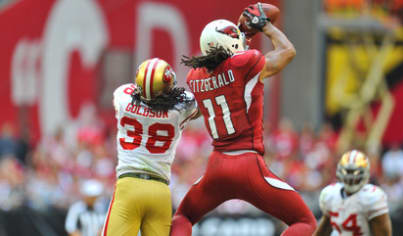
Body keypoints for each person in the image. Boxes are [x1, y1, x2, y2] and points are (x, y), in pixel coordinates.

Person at [170, 3, 316, 236]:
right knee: (305, 222)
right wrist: (265, 26)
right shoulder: (244, 63)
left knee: (182, 217)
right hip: (248, 165)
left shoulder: (195, 75)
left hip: (217, 166)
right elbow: (287, 51)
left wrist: (239, 36)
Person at [102, 58, 198, 236]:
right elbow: (196, 108)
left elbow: (137, 95)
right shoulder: (179, 109)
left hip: (129, 186)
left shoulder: (123, 96)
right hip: (160, 190)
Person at [314, 150, 392, 236]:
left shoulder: (372, 197)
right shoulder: (331, 194)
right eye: (347, 171)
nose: (351, 177)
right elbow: (325, 228)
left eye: (356, 172)